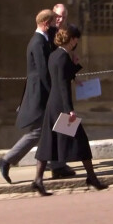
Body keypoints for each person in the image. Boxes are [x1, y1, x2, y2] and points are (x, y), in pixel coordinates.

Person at [32, 25, 108, 196]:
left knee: (47, 143)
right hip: (61, 106)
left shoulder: (56, 55)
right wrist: (70, 110)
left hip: (54, 104)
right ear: (72, 39)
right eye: (76, 39)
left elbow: (63, 74)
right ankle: (92, 178)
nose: (77, 43)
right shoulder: (62, 57)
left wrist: (74, 66)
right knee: (80, 140)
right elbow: (63, 85)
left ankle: (38, 180)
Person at [0, 9, 56, 184]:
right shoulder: (37, 42)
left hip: (42, 93)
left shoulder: (43, 40)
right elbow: (44, 72)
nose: (55, 27)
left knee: (52, 129)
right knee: (39, 130)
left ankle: (57, 164)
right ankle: (6, 160)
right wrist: (54, 92)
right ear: (46, 24)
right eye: (52, 24)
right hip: (40, 95)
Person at [46, 3, 77, 179]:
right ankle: (56, 166)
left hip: (59, 89)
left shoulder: (64, 34)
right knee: (51, 130)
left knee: (61, 128)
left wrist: (74, 63)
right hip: (52, 89)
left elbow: (66, 62)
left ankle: (58, 164)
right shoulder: (47, 35)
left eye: (64, 16)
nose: (61, 19)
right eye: (58, 16)